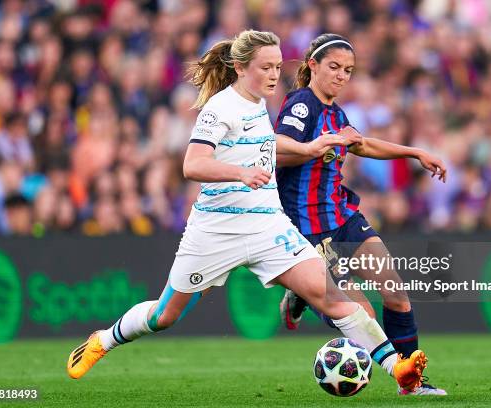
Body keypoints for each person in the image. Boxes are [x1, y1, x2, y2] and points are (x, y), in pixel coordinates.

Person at [65, 30, 428, 393]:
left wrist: (310, 148)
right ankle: (104, 340)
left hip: (268, 227)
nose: (274, 75)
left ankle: (399, 369)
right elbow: (193, 165)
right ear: (240, 67)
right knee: (164, 316)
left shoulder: (260, 104)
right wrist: (240, 172)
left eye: (276, 66)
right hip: (216, 231)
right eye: (266, 67)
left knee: (337, 300)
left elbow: (273, 143)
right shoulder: (219, 108)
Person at [274, 33, 448, 396]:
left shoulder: (336, 112)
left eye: (348, 70)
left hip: (343, 216)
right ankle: (309, 294)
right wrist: (316, 146)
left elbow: (362, 144)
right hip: (308, 227)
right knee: (361, 314)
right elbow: (276, 152)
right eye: (334, 67)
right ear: (312, 66)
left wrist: (415, 151)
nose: (341, 76)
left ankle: (412, 382)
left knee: (397, 293)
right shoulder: (302, 105)